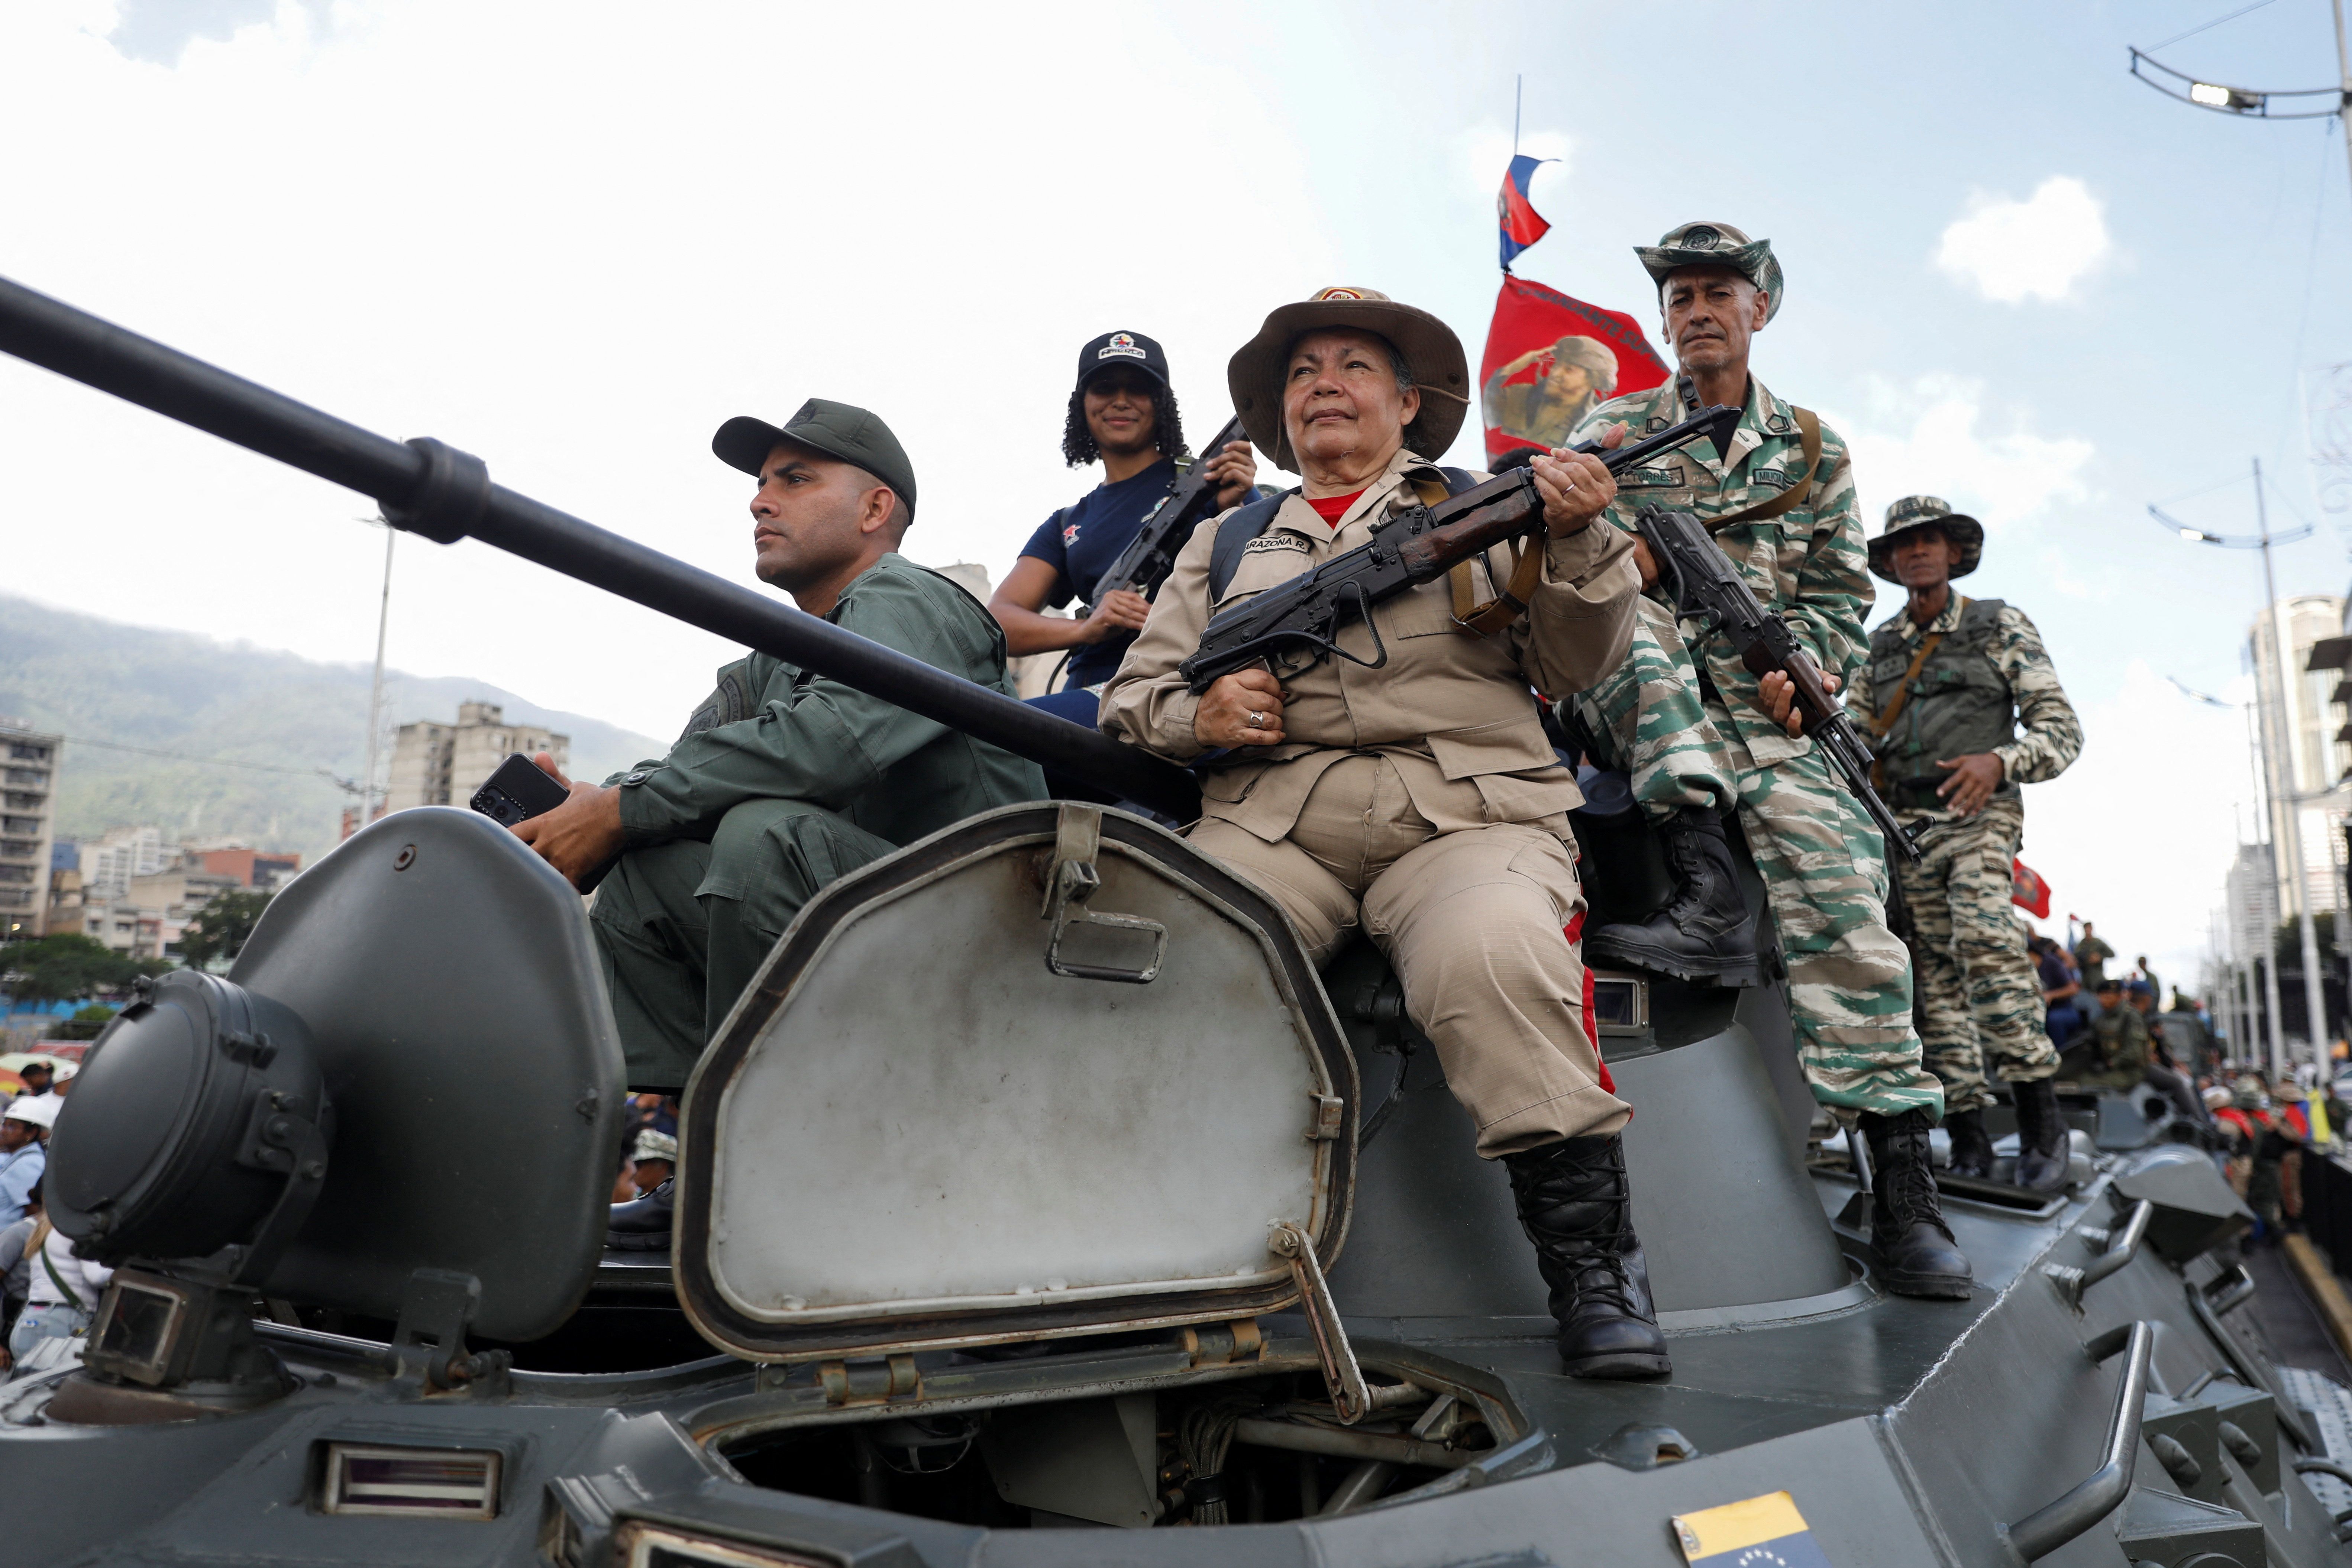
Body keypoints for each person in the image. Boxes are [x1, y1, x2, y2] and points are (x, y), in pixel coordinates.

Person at [1102, 286, 1666, 1378]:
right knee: (1154, 957)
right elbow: (1137, 697)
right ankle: (1136, 1248)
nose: (1326, 384)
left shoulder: (1484, 507)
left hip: (1465, 813)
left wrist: (1581, 536)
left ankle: (1596, 1264)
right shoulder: (1229, 540)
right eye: (1305, 370)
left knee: (1494, 954)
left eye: (1355, 365)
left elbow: (1572, 664)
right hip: (1276, 819)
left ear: (1409, 403)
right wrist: (1202, 716)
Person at [1561, 222, 1968, 1299]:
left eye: (1716, 294)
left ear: (1760, 310)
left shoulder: (1815, 448)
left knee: (1840, 875)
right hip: (1642, 687)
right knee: (1629, 624)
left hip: (1767, 698)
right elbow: (1560, 568)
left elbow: (1840, 595)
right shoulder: (1613, 429)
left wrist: (1816, 674)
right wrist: (1628, 559)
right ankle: (1703, 880)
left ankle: (1902, 1180)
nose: (1695, 311)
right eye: (1680, 296)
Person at [509, 400, 1047, 1089]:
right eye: (760, 485)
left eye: (794, 480)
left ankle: (758, 1131)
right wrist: (588, 808)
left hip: (988, 931)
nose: (760, 503)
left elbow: (823, 744)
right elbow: (687, 768)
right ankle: (699, 1121)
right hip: (889, 917)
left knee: (761, 837)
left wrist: (617, 809)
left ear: (875, 509)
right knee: (644, 852)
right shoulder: (776, 655)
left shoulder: (912, 596)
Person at [1845, 495, 2083, 1190]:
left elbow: (2060, 730)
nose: (1917, 551)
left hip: (1978, 818)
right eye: (1903, 543)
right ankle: (1970, 1133)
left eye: (1930, 540)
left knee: (1984, 941)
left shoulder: (1995, 623)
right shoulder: (1879, 644)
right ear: (1889, 562)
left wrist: (1999, 762)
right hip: (1905, 827)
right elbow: (1853, 732)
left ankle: (2042, 1123)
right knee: (1931, 982)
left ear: (1952, 552)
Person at [987, 331, 1258, 732]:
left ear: (1161, 404)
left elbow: (1271, 580)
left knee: (1001, 735)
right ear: (1082, 405)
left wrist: (1240, 505)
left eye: (1139, 389)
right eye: (1104, 388)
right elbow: (997, 622)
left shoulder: (1213, 484)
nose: (1120, 400)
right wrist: (1086, 628)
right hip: (1093, 689)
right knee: (989, 731)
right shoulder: (1066, 523)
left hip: (1183, 683)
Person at [10, 1206, 109, 1373]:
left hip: (29, 1321)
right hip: (61, 1324)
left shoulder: (44, 1229)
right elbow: (97, 1277)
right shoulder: (76, 1231)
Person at [1482, 333, 1620, 452]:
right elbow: (1489, 414)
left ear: (1594, 380)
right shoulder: (1523, 395)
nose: (1555, 373)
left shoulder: (1596, 424)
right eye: (1557, 365)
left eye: (1569, 370)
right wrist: (1514, 367)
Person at [2058, 977, 2148, 1091]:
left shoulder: (2130, 1017)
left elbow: (2134, 1052)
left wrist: (2110, 1064)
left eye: (2108, 996)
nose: (2102, 1000)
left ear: (2119, 997)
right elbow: (2091, 1041)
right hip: (2109, 1068)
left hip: (2128, 1072)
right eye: (2101, 996)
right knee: (2069, 1077)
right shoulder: (2102, 1018)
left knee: (2083, 1083)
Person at [0, 1096, 51, 1226]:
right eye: (4, 1125)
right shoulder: (15, 1157)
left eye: (12, 1127)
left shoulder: (29, 1164)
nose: (4, 1131)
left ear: (32, 1132)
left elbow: (34, 1212)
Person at [2074, 922, 2113, 994]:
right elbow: (2075, 958)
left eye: (2089, 928)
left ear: (2092, 929)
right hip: (2085, 978)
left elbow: (2112, 954)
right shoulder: (2081, 945)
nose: (2087, 931)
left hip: (2097, 978)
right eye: (2086, 929)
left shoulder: (2098, 942)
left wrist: (2100, 957)